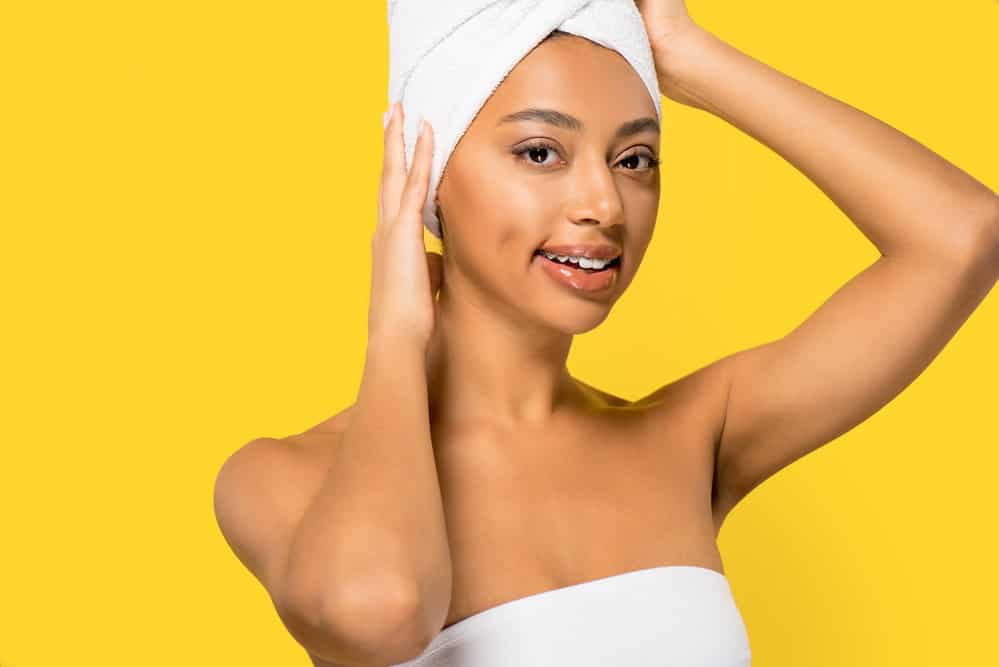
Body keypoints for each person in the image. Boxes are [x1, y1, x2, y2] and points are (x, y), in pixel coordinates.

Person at [213, 2, 999, 666]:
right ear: (427, 178)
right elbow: (376, 609)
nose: (605, 203)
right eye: (540, 151)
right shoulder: (282, 477)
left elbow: (961, 236)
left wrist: (692, 60)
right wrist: (392, 330)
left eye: (634, 158)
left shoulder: (687, 438)